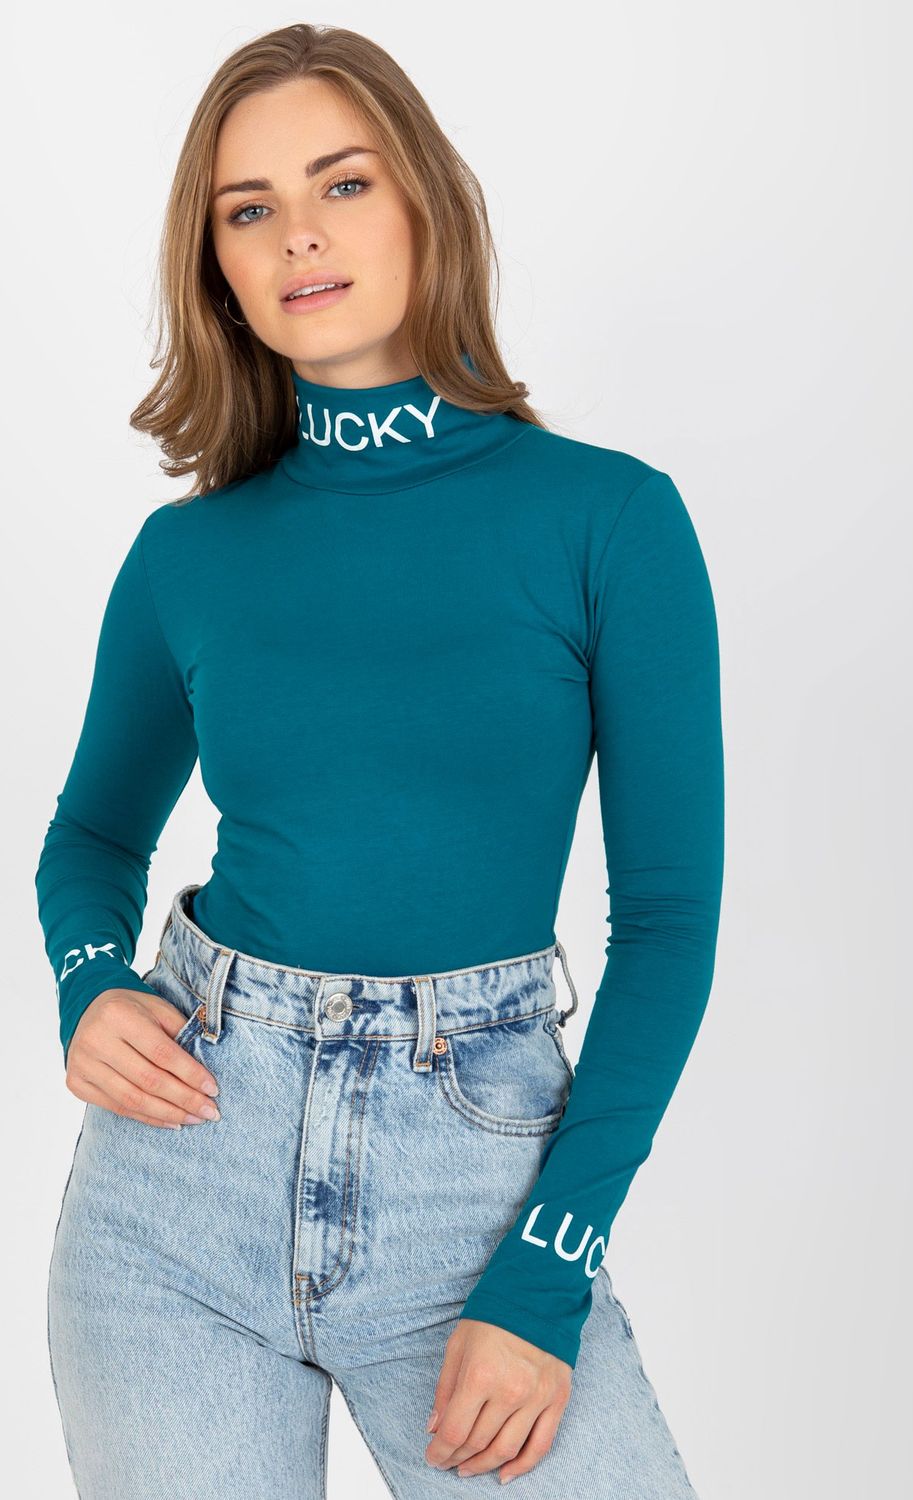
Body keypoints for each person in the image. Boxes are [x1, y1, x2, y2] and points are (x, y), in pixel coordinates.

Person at [37, 23, 724, 1499]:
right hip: (178, 1194)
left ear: (424, 201)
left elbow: (669, 926)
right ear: (217, 262)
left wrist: (545, 1272)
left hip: (476, 1187)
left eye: (341, 183)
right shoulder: (188, 556)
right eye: (250, 207)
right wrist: (89, 983)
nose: (299, 233)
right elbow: (90, 837)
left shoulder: (609, 522)